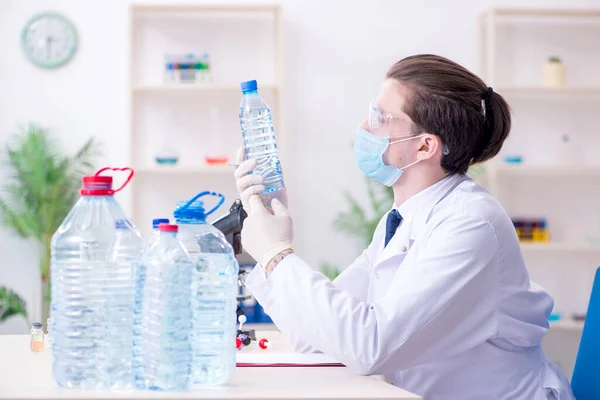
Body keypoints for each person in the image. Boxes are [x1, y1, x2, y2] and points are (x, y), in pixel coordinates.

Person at [233, 54, 575, 400]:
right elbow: (314, 337)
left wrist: (277, 254)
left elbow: (372, 347)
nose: (364, 129)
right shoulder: (400, 220)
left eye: (380, 118)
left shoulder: (472, 225)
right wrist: (267, 229)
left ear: (425, 146)